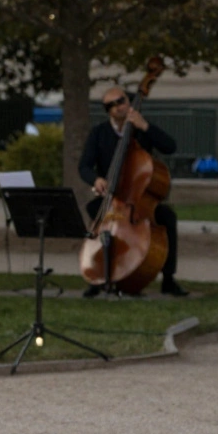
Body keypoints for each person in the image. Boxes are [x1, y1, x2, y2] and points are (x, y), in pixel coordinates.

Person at [79, 85, 187, 297]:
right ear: (108, 111)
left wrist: (145, 127)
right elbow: (84, 166)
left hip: (138, 200)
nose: (119, 107)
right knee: (96, 215)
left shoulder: (142, 129)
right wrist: (97, 179)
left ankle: (168, 279)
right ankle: (100, 276)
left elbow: (170, 147)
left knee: (167, 218)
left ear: (129, 102)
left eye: (122, 101)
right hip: (111, 199)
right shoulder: (99, 133)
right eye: (112, 105)